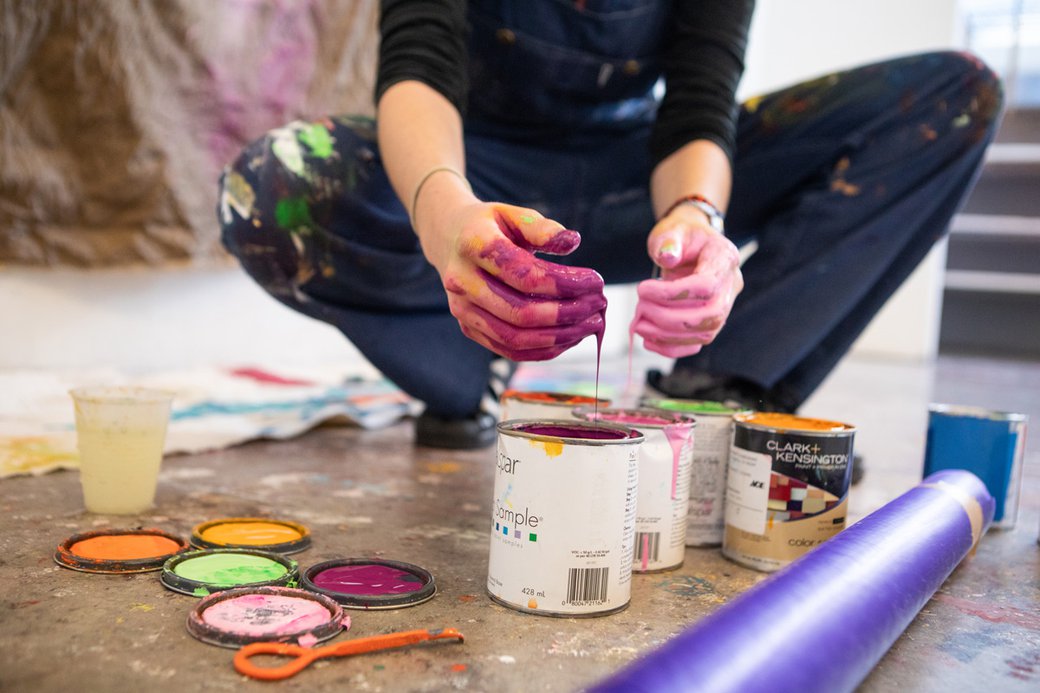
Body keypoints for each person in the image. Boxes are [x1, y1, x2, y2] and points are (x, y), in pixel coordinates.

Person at [218, 0, 1002, 456]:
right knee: (269, 189)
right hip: (478, 181)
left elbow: (700, 101)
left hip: (637, 182)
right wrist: (447, 217)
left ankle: (715, 385)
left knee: (956, 94)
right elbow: (418, 65)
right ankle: (474, 359)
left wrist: (698, 219)